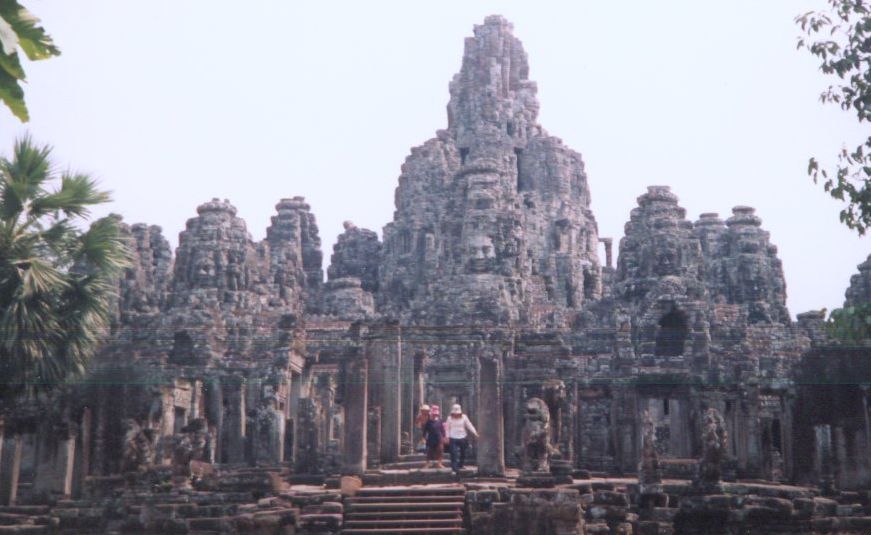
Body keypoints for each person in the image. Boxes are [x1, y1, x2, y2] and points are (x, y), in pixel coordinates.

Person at [446, 404, 478, 474]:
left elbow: (469, 425)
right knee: (453, 453)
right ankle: (454, 468)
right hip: (453, 437)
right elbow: (447, 429)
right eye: (455, 413)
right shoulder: (449, 418)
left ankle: (461, 465)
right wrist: (447, 437)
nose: (456, 415)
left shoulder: (464, 417)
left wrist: (475, 433)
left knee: (463, 452)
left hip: (462, 436)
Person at [422, 404, 446, 469]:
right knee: (429, 451)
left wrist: (444, 437)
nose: (435, 415)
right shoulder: (428, 422)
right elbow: (425, 430)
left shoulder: (440, 421)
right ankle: (428, 463)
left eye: (436, 414)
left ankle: (439, 463)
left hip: (439, 438)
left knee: (440, 451)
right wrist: (424, 438)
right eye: (434, 414)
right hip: (431, 438)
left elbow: (442, 430)